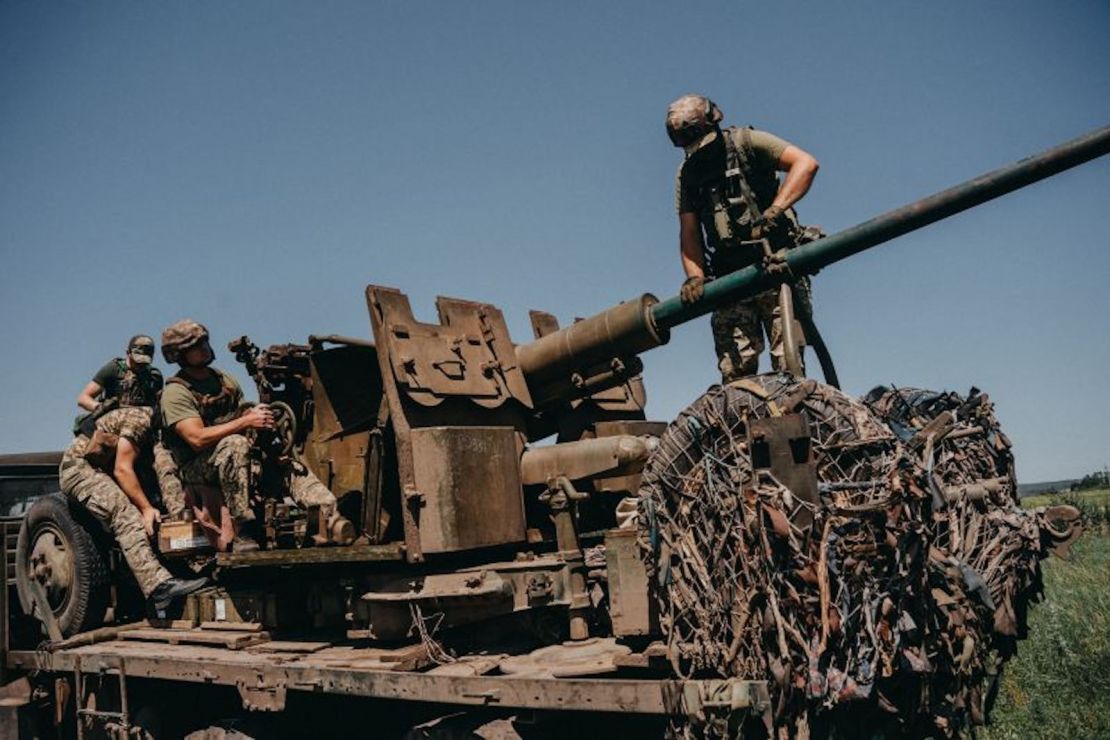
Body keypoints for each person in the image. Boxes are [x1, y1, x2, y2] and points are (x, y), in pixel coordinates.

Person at [666, 94, 821, 381]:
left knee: (789, 370)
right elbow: (689, 231)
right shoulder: (688, 173)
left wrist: (775, 209)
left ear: (715, 122)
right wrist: (695, 277)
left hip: (776, 267)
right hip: (730, 279)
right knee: (735, 373)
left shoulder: (747, 142)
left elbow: (806, 164)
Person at [158, 319, 338, 552]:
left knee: (286, 464)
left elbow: (246, 418)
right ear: (180, 355)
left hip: (233, 457)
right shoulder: (176, 392)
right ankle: (243, 528)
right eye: (196, 345)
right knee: (235, 445)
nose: (205, 347)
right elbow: (196, 439)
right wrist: (245, 421)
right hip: (197, 468)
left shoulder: (225, 382)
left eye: (205, 341)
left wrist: (263, 431)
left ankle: (330, 519)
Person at [59, 406, 208, 616]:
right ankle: (159, 589)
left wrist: (179, 520)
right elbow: (122, 469)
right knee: (126, 516)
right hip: (79, 469)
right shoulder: (140, 419)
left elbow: (167, 475)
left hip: (103, 469)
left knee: (156, 513)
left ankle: (179, 570)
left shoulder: (160, 436)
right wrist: (146, 508)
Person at [74, 335, 187, 520]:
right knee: (118, 467)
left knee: (164, 463)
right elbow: (83, 398)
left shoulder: (154, 376)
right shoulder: (113, 369)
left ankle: (177, 514)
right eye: (137, 360)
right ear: (128, 353)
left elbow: (159, 404)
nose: (140, 365)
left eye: (145, 361)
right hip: (115, 429)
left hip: (142, 431)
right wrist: (102, 409)